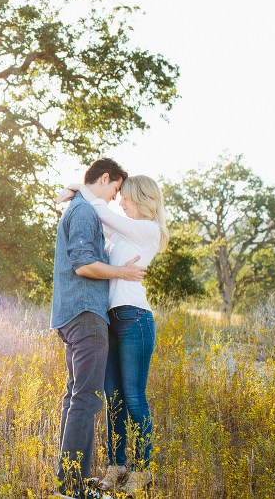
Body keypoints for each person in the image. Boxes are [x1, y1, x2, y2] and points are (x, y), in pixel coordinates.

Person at [58, 175, 169, 496]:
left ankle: (143, 470)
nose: (120, 202)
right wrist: (71, 197)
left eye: (127, 198)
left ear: (144, 199)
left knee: (134, 397)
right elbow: (90, 224)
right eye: (120, 198)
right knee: (114, 398)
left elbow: (101, 213)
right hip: (109, 320)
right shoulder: (121, 236)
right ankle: (116, 465)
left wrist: (81, 188)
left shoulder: (149, 230)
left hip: (134, 317)